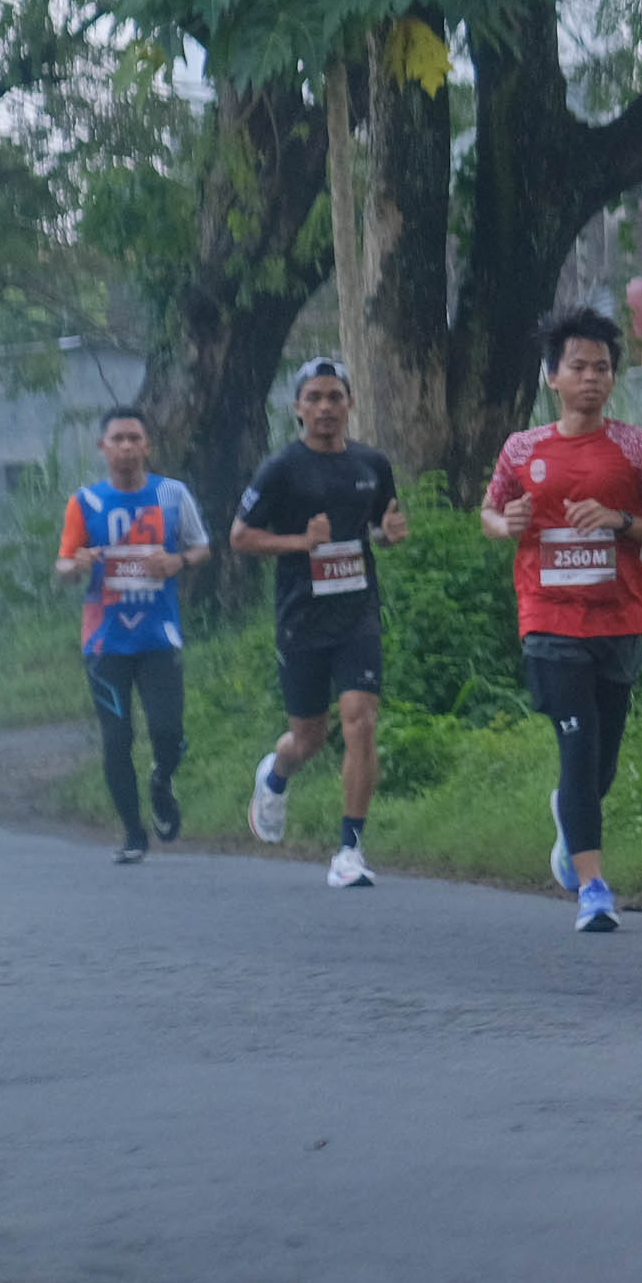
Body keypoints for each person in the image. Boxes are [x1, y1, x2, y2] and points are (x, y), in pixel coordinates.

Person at [481, 307, 642, 936]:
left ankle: (570, 823)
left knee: (600, 766)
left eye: (602, 367)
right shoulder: (523, 449)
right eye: (579, 367)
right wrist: (506, 524)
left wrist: (618, 520)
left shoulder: (638, 447)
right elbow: (489, 513)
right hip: (548, 618)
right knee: (576, 746)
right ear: (553, 376)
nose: (591, 377)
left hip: (620, 617)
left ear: (613, 377)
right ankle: (594, 889)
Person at [234, 355, 408, 887]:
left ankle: (349, 850)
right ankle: (275, 773)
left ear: (350, 403)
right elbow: (241, 536)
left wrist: (387, 535)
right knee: (307, 738)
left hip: (357, 614)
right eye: (314, 398)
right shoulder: (281, 468)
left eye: (335, 397)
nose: (325, 407)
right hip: (301, 618)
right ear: (297, 408)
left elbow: (379, 525)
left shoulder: (371, 464)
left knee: (361, 719)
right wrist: (299, 543)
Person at [57, 408, 209, 864]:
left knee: (168, 730)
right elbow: (63, 565)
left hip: (159, 635)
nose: (126, 447)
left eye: (134, 439)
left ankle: (161, 780)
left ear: (147, 446)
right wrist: (76, 565)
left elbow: (202, 547)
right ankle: (132, 832)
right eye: (117, 439)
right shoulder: (85, 501)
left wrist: (178, 562)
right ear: (102, 447)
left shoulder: (172, 494)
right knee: (116, 737)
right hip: (105, 641)